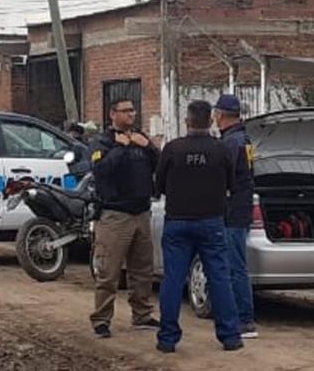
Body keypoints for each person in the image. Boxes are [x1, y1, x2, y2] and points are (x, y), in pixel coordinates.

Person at [153, 99, 243, 352]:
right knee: (219, 277)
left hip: (178, 222)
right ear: (210, 120)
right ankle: (230, 336)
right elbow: (232, 186)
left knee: (172, 279)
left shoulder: (172, 149)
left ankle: (167, 339)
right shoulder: (222, 149)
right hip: (212, 221)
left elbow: (157, 187)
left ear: (187, 121)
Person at [88, 98, 160, 338]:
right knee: (108, 270)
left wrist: (148, 146)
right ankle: (101, 319)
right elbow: (100, 171)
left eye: (133, 110)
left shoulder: (140, 138)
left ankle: (142, 314)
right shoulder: (102, 142)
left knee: (142, 270)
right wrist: (120, 148)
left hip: (141, 212)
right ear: (112, 114)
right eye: (126, 111)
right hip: (114, 214)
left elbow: (160, 164)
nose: (131, 114)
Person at [214, 94, 257, 339]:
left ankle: (244, 319)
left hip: (232, 212)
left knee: (235, 267)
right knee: (236, 265)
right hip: (240, 209)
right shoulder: (244, 139)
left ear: (219, 115)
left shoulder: (231, 143)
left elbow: (224, 177)